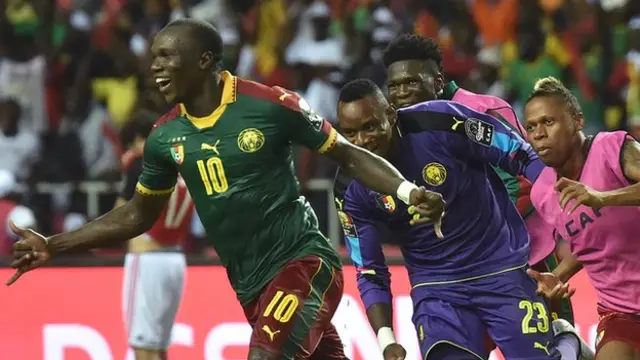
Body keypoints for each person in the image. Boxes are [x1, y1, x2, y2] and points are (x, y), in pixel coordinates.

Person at [5, 19, 445, 360]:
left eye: (166, 56)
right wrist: (54, 244)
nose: (154, 66)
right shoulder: (165, 137)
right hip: (250, 285)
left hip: (304, 264)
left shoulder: (271, 105)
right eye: (153, 57)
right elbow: (136, 216)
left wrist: (408, 191)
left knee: (264, 356)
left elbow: (348, 154)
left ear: (204, 61)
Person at [335, 78, 558, 360]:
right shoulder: (348, 188)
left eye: (370, 127)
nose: (362, 141)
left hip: (499, 268)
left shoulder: (442, 121)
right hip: (436, 288)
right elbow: (368, 270)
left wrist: (560, 203)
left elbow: (518, 152)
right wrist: (386, 339)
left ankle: (567, 343)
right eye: (350, 133)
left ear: (391, 115)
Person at [381, 33, 578, 327]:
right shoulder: (400, 128)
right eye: (395, 86)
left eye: (412, 82)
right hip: (456, 270)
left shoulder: (481, 110)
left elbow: (522, 181)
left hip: (524, 258)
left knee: (557, 345)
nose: (403, 93)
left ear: (437, 80)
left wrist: (484, 238)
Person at [524, 77, 640, 360]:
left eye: (548, 122)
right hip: (620, 312)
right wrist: (558, 275)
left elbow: (601, 209)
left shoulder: (612, 148)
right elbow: (589, 242)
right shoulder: (543, 193)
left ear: (577, 121)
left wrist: (604, 198)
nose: (539, 133)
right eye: (531, 127)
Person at [118, 112, 197, 360]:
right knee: (160, 348)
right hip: (175, 258)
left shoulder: (141, 163)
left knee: (143, 348)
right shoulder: (184, 164)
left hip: (147, 257)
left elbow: (121, 216)